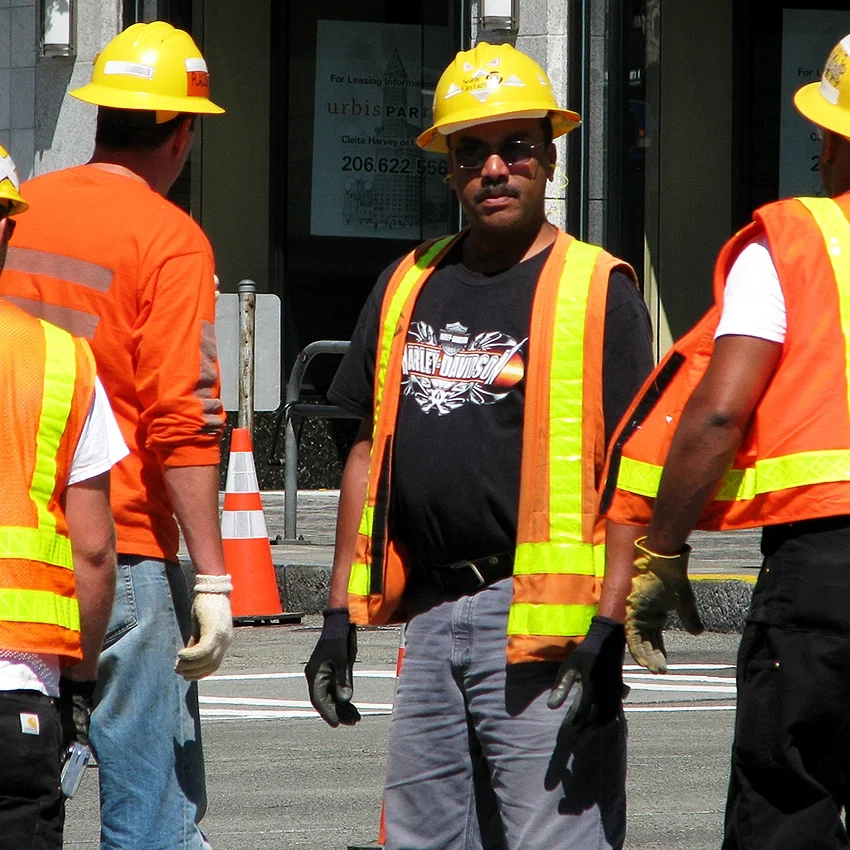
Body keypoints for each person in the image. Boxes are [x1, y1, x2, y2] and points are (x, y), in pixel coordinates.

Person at [305, 42, 654, 850]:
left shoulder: (599, 291)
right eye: (472, 151)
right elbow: (366, 448)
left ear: (551, 158)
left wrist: (608, 627)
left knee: (551, 840)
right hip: (431, 615)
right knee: (426, 840)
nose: (495, 168)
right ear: (448, 169)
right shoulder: (408, 282)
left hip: (541, 622)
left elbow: (635, 472)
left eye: (516, 147)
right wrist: (336, 614)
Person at [602, 31, 850, 850]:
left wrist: (662, 550)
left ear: (833, 141)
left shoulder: (796, 242)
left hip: (826, 566)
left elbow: (717, 412)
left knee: (789, 799)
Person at [0, 22, 234, 850]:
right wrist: (212, 576)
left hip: (23, 548)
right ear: (182, 133)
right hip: (123, 547)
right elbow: (181, 418)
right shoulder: (172, 239)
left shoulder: (24, 210)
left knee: (28, 777)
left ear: (100, 119)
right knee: (153, 815)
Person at [0, 146, 125, 849]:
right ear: (7, 232)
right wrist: (78, 685)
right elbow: (95, 549)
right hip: (18, 683)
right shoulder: (61, 360)